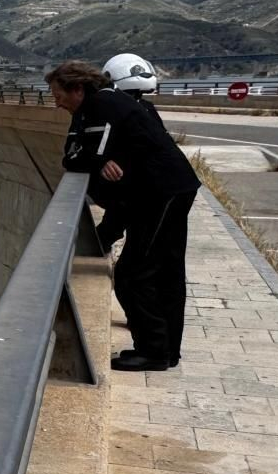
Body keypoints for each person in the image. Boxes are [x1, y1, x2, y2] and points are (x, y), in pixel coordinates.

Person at [48, 60, 200, 372]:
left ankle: (154, 352)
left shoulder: (103, 105)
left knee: (135, 274)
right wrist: (98, 158)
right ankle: (166, 351)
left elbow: (78, 156)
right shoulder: (99, 106)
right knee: (165, 273)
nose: (56, 101)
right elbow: (73, 152)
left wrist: (95, 157)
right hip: (166, 189)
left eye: (58, 93)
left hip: (161, 193)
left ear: (77, 88)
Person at [90, 52, 168, 248]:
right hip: (158, 187)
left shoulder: (117, 110)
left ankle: (100, 242)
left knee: (137, 247)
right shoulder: (147, 108)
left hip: (145, 190)